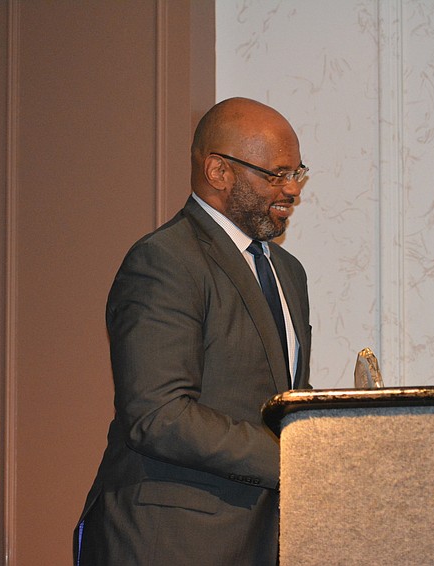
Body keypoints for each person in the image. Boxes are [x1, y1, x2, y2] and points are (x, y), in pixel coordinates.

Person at [74, 97, 312, 565]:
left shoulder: (288, 271)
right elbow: (157, 414)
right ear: (218, 171)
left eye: (297, 174)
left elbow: (278, 400)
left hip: (260, 538)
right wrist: (296, 458)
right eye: (275, 175)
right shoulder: (165, 260)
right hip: (169, 539)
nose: (291, 190)